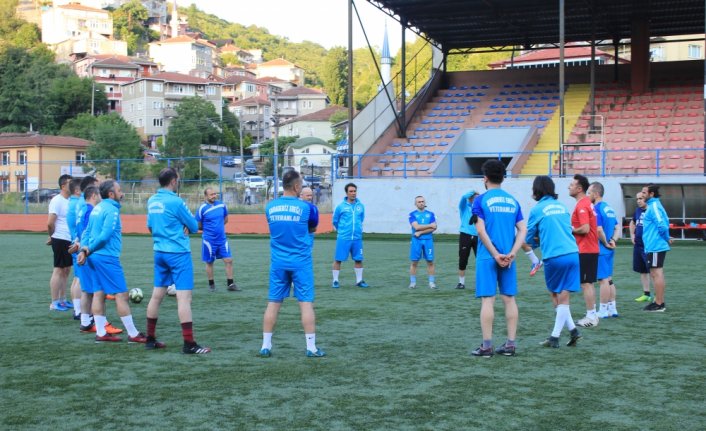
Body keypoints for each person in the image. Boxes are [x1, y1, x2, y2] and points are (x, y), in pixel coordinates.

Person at [260, 170, 324, 358]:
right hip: (301, 262)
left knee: (273, 303)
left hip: (278, 262)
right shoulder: (307, 208)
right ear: (297, 187)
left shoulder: (270, 207)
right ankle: (311, 348)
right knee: (305, 304)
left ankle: (265, 346)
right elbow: (312, 228)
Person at [145, 168, 209, 354]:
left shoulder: (152, 200)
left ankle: (150, 339)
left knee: (157, 295)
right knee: (184, 298)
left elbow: (150, 226)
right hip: (178, 253)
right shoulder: (176, 201)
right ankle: (189, 343)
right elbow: (193, 226)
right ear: (173, 181)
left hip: (159, 251)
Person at [76, 180, 146, 344]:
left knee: (99, 293)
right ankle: (133, 334)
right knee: (121, 294)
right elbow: (104, 236)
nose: (122, 193)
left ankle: (101, 333)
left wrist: (84, 250)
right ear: (111, 194)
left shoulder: (96, 208)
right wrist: (87, 249)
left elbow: (86, 232)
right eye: (119, 190)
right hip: (106, 257)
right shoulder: (111, 210)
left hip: (94, 257)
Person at [470, 160, 526, 357]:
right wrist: (513, 252)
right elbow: (522, 230)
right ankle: (510, 344)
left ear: (485, 178)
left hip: (488, 256)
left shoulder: (480, 200)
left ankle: (486, 346)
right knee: (509, 299)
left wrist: (495, 254)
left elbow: (480, 229)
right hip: (509, 257)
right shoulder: (513, 201)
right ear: (503, 177)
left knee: (488, 300)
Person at [525, 176, 582, 348]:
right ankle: (573, 331)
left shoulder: (537, 210)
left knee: (557, 295)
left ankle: (554, 337)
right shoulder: (563, 207)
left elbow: (528, 239)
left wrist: (535, 243)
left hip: (554, 256)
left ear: (536, 190)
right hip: (573, 253)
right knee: (562, 295)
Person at [568, 174, 600, 328]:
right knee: (588, 283)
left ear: (579, 188)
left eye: (572, 185)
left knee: (586, 284)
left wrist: (570, 230)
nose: (569, 187)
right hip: (590, 248)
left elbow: (585, 228)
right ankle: (592, 314)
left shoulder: (582, 205)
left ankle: (591, 316)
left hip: (586, 249)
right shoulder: (586, 203)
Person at [196, 187, 238, 293]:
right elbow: (199, 225)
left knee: (228, 260)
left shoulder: (222, 205)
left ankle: (231, 284)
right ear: (206, 196)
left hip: (222, 239)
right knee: (210, 262)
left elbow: (226, 219)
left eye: (215, 194)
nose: (214, 196)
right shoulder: (202, 208)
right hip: (209, 240)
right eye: (211, 194)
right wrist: (210, 230)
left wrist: (218, 228)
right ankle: (211, 285)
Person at [588, 182, 621, 319]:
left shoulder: (596, 209)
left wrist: (606, 242)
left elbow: (599, 229)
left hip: (601, 249)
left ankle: (602, 310)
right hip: (609, 249)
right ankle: (612, 309)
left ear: (595, 194)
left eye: (589, 192)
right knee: (609, 279)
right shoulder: (609, 208)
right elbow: (617, 227)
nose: (588, 195)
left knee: (603, 280)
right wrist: (613, 240)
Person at [331, 183, 369, 288]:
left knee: (358, 259)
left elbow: (361, 219)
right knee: (338, 259)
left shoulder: (360, 206)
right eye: (351, 191)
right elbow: (335, 221)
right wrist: (342, 230)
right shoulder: (340, 207)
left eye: (354, 191)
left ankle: (359, 281)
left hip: (357, 238)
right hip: (343, 237)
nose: (353, 193)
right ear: (346, 193)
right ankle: (335, 281)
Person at [641, 184, 671, 312]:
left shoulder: (653, 206)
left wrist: (666, 238)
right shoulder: (654, 205)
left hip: (655, 246)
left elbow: (662, 225)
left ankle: (659, 303)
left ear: (651, 194)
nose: (642, 195)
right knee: (655, 273)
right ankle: (658, 301)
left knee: (656, 274)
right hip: (653, 245)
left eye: (644, 192)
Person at [47, 174, 73, 312]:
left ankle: (63, 299)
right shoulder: (57, 200)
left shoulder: (69, 200)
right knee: (58, 269)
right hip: (60, 238)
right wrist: (53, 237)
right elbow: (50, 223)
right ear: (63, 186)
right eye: (70, 183)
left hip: (68, 239)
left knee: (66, 269)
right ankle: (54, 302)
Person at [408, 195, 437, 289]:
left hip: (428, 240)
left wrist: (421, 232)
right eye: (419, 202)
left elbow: (435, 227)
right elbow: (416, 227)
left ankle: (431, 283)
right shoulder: (412, 214)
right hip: (416, 241)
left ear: (425, 203)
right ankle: (412, 283)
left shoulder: (431, 214)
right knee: (414, 262)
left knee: (430, 262)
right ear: (415, 204)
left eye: (422, 201)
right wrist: (430, 225)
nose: (421, 203)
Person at [629, 192, 653, 302]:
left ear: (646, 199)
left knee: (653, 271)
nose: (638, 201)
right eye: (637, 199)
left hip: (649, 246)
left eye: (641, 198)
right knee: (642, 270)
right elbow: (632, 222)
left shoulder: (652, 210)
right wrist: (632, 235)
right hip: (638, 245)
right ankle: (646, 294)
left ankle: (658, 295)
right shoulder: (638, 211)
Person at [66, 178, 83, 318]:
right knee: (79, 278)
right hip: (78, 244)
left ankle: (77, 309)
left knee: (76, 278)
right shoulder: (78, 204)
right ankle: (78, 310)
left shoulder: (72, 203)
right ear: (77, 190)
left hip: (74, 242)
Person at [457, 189, 478, 290]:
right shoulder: (464, 207)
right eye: (475, 198)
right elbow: (463, 197)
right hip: (465, 235)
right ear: (470, 198)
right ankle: (461, 283)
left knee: (481, 259)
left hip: (479, 236)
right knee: (463, 259)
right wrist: (473, 192)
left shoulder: (480, 209)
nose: (476, 200)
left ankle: (481, 282)